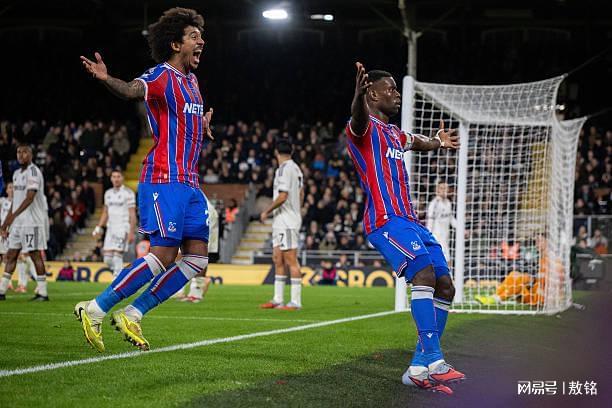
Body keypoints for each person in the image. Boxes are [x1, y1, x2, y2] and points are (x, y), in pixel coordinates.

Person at [75, 7, 213, 353]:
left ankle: (133, 313)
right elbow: (132, 90)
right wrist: (106, 78)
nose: (201, 41)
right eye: (193, 36)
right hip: (164, 177)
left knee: (197, 259)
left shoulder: (192, 82)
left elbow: (184, 120)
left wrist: (201, 124)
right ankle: (96, 309)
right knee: (163, 253)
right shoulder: (161, 75)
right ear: (175, 44)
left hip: (190, 182)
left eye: (200, 36)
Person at [346, 63, 463, 394]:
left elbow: (418, 142)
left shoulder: (394, 134)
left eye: (397, 89)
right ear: (372, 94)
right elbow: (357, 119)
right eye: (391, 89)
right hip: (385, 220)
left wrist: (437, 142)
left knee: (445, 286)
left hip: (411, 221)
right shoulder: (362, 129)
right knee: (423, 274)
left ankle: (417, 368)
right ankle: (435, 360)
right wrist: (357, 98)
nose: (396, 94)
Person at [0, 145, 50, 301]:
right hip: (18, 223)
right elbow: (15, 201)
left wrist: (13, 216)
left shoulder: (33, 172)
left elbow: (30, 198)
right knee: (11, 254)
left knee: (34, 254)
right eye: (18, 152)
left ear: (31, 155)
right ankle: (1, 291)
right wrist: (5, 223)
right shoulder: (16, 174)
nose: (21, 155)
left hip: (32, 222)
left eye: (24, 152)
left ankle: (43, 292)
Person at [259, 139, 304, 310]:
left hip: (287, 221)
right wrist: (297, 209)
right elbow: (301, 193)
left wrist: (266, 211)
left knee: (291, 260)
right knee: (278, 258)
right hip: (282, 220)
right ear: (291, 152)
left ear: (276, 152)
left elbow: (283, 196)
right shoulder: (296, 169)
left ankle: (295, 302)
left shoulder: (285, 169)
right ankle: (278, 299)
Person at [92, 170, 136, 277]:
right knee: (107, 259)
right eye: (114, 177)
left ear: (122, 178)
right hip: (110, 229)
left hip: (123, 228)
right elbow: (105, 212)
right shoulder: (108, 193)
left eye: (118, 176)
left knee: (117, 255)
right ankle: (121, 274)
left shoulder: (128, 193)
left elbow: (132, 214)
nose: (116, 179)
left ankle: (117, 279)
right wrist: (98, 227)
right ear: (111, 178)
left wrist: (131, 232)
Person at [180, 199, 219, 303]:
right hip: (190, 211)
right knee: (181, 250)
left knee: (200, 250)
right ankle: (180, 289)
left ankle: (196, 289)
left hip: (202, 212)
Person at [426, 182, 455, 260]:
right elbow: (430, 222)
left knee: (447, 260)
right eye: (442, 188)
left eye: (446, 188)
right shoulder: (434, 204)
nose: (444, 190)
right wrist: (428, 238)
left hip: (446, 237)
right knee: (444, 260)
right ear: (437, 190)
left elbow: (451, 218)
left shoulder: (448, 202)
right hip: (437, 237)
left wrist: (461, 228)